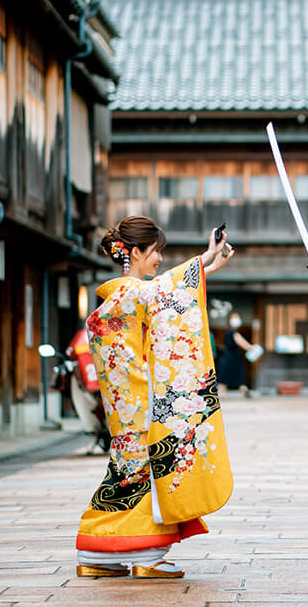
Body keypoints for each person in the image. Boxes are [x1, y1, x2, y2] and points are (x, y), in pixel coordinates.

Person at [75, 216, 236, 579]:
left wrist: (207, 264)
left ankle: (96, 550)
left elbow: (168, 295)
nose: (159, 259)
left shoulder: (122, 296)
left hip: (129, 405)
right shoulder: (130, 292)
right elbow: (169, 291)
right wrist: (205, 258)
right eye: (155, 251)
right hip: (143, 405)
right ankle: (147, 553)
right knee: (145, 473)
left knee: (127, 473)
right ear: (134, 252)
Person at [217, 312, 258, 396]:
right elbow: (242, 342)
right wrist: (252, 348)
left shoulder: (230, 332)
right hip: (231, 356)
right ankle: (243, 389)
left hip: (230, 356)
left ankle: (241, 389)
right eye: (235, 318)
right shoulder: (233, 332)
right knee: (232, 373)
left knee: (228, 374)